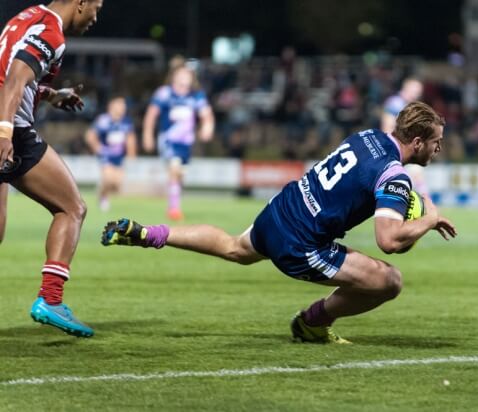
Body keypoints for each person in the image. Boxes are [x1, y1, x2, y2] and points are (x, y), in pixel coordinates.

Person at [102, 102, 457, 343]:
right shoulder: (395, 176)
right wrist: (429, 219)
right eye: (436, 143)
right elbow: (390, 240)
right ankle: (312, 323)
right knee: (389, 282)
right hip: (302, 242)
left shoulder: (369, 136)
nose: (438, 150)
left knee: (235, 248)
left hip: (283, 207)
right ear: (416, 142)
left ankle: (150, 233)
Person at [0, 0, 103, 337]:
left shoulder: (27, 16)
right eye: (96, 7)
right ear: (81, 2)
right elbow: (15, 78)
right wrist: (4, 131)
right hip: (9, 127)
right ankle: (51, 300)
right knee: (72, 207)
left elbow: (12, 73)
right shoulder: (52, 31)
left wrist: (50, 94)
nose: (95, 17)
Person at [142, 64, 215, 221]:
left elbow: (206, 116)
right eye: (181, 75)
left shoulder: (197, 96)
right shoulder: (164, 93)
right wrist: (147, 135)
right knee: (174, 170)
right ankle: (174, 210)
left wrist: (207, 128)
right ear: (174, 77)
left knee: (180, 175)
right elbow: (151, 115)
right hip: (168, 140)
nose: (184, 78)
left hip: (186, 144)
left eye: (187, 75)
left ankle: (174, 201)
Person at [85, 96, 137, 211]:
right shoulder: (103, 120)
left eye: (123, 106)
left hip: (119, 157)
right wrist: (97, 147)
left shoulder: (126, 122)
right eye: (119, 105)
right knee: (108, 178)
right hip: (106, 156)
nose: (122, 108)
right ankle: (103, 199)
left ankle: (102, 190)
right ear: (111, 106)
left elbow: (130, 138)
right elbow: (90, 135)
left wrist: (131, 153)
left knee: (116, 184)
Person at [381, 77, 429, 196]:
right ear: (406, 88)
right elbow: (387, 126)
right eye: (415, 90)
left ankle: (426, 201)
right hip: (395, 147)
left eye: (419, 91)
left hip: (407, 147)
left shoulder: (413, 107)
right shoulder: (395, 103)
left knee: (416, 174)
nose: (417, 94)